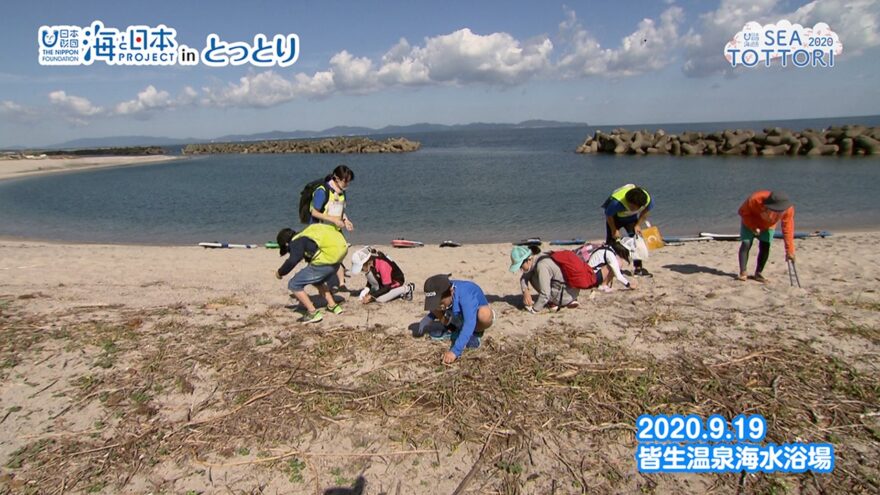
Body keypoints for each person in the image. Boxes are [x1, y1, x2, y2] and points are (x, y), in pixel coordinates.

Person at [274, 223, 348, 324]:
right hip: (336, 262)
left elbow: (293, 260)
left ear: (286, 243)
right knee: (318, 281)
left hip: (324, 263)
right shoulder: (306, 236)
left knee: (294, 284)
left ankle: (312, 313)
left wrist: (280, 272)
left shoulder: (296, 241)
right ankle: (333, 306)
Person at [418, 274, 494, 364]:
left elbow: (469, 322)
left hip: (474, 319)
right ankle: (453, 329)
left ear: (451, 291)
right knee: (435, 307)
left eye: (440, 302)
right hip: (456, 315)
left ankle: (475, 333)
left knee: (484, 314)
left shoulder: (466, 294)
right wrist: (429, 318)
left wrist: (455, 351)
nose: (439, 306)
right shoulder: (444, 291)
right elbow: (438, 306)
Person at [509, 245, 610, 312]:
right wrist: (525, 291)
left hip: (563, 297)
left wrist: (534, 309)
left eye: (520, 266)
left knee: (532, 277)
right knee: (530, 274)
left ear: (528, 260)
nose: (521, 269)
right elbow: (523, 278)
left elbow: (545, 294)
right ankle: (567, 300)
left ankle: (554, 303)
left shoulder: (541, 266)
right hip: (572, 291)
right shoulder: (541, 256)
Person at [737, 190, 795, 282]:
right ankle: (743, 272)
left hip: (768, 225)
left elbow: (788, 229)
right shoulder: (755, 199)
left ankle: (758, 273)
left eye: (780, 211)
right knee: (746, 243)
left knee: (765, 245)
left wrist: (790, 251)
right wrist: (753, 227)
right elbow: (743, 212)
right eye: (775, 210)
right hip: (749, 222)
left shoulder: (788, 209)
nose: (777, 213)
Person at [602, 184, 653, 277]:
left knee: (636, 241)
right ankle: (609, 267)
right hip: (614, 219)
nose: (634, 209)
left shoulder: (647, 200)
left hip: (630, 219)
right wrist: (614, 230)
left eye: (636, 208)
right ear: (627, 201)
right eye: (632, 206)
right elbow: (608, 215)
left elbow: (646, 211)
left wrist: (638, 225)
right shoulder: (616, 203)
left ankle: (638, 268)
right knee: (611, 242)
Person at [350, 246, 415, 304]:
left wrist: (372, 296)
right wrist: (366, 289)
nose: (361, 270)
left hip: (395, 281)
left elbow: (387, 287)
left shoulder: (382, 264)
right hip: (383, 280)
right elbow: (371, 277)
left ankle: (407, 288)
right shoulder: (371, 261)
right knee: (370, 276)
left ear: (367, 262)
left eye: (361, 268)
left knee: (380, 299)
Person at [309, 165, 354, 232]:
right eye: (345, 181)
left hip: (335, 231)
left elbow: (339, 211)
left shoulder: (341, 192)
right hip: (319, 231)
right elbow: (314, 212)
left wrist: (346, 220)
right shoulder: (322, 191)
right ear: (337, 178)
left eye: (349, 181)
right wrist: (334, 220)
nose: (347, 184)